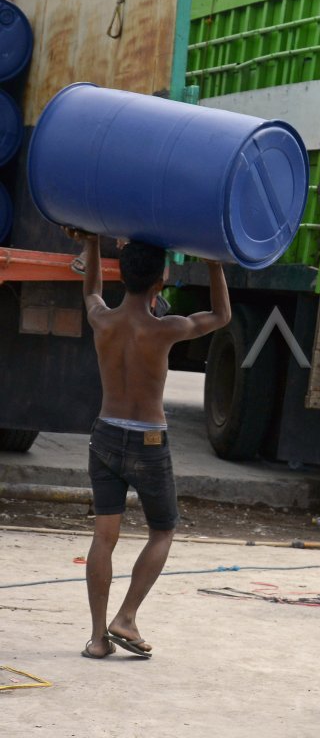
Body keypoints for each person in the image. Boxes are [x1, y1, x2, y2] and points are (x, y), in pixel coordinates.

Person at [67, 229, 231, 660]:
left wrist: (89, 244)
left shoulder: (102, 319)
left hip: (103, 434)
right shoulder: (165, 329)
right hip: (147, 441)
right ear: (160, 281)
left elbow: (91, 293)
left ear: (122, 275)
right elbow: (220, 316)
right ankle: (127, 616)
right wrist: (213, 262)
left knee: (104, 537)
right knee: (163, 529)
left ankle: (98, 638)